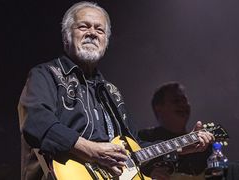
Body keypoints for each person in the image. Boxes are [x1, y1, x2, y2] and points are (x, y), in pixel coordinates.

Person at [18, 2, 214, 180]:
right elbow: (36, 122)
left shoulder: (112, 93)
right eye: (84, 26)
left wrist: (180, 146)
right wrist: (91, 150)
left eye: (100, 30)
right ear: (67, 35)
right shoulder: (45, 74)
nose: (92, 33)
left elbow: (134, 148)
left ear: (106, 41)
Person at [139, 82, 212, 179]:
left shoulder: (201, 143)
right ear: (158, 107)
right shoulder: (143, 137)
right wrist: (147, 174)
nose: (183, 105)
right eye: (176, 101)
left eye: (185, 100)